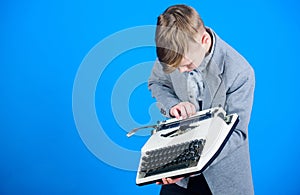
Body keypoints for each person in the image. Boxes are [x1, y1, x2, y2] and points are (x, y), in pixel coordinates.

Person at [148, 4, 255, 195]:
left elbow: (237, 134)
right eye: (175, 67)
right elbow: (157, 83)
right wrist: (173, 106)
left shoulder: (240, 72)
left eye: (187, 64)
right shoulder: (173, 51)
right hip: (179, 175)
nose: (180, 71)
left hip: (222, 177)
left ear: (204, 40)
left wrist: (190, 162)